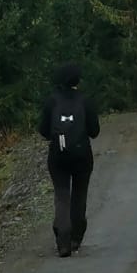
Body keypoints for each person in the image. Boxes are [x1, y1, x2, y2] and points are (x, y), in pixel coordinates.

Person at [38, 62, 100, 257]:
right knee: (79, 195)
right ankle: (76, 237)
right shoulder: (85, 101)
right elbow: (95, 131)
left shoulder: (51, 101)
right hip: (82, 156)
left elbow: (43, 130)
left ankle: (63, 240)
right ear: (77, 80)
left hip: (58, 156)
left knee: (62, 195)